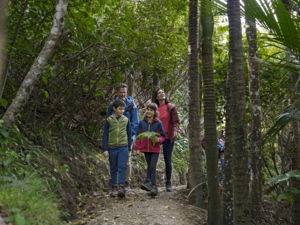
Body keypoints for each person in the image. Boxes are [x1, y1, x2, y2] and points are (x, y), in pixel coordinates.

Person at [106, 83, 139, 189]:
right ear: (117, 92)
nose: (122, 94)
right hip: (114, 137)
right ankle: (114, 183)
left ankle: (126, 182)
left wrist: (131, 135)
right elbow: (108, 120)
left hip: (128, 136)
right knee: (114, 161)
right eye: (120, 92)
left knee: (126, 161)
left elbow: (135, 122)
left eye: (124, 92)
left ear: (127, 92)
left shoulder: (131, 104)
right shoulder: (112, 105)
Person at [102, 99, 132, 198]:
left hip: (123, 147)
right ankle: (114, 186)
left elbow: (129, 134)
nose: (122, 111)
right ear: (114, 108)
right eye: (120, 109)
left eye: (123, 109)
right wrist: (105, 149)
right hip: (112, 147)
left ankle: (121, 186)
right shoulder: (109, 120)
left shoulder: (126, 120)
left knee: (122, 166)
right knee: (113, 167)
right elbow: (105, 135)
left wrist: (129, 148)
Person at [135, 103, 165, 197]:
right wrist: (138, 148)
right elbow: (138, 136)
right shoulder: (142, 122)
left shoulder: (158, 123)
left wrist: (158, 140)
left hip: (155, 149)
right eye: (147, 109)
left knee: (152, 166)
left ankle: (154, 187)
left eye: (151, 110)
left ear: (155, 112)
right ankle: (149, 185)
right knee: (149, 166)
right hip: (145, 149)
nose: (148, 111)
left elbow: (163, 137)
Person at [154, 89, 180, 192]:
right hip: (156, 137)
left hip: (168, 137)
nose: (162, 94)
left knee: (167, 160)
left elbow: (176, 121)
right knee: (153, 160)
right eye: (159, 93)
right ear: (156, 96)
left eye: (163, 92)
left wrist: (175, 130)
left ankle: (168, 182)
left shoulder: (170, 107)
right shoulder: (154, 108)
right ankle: (152, 183)